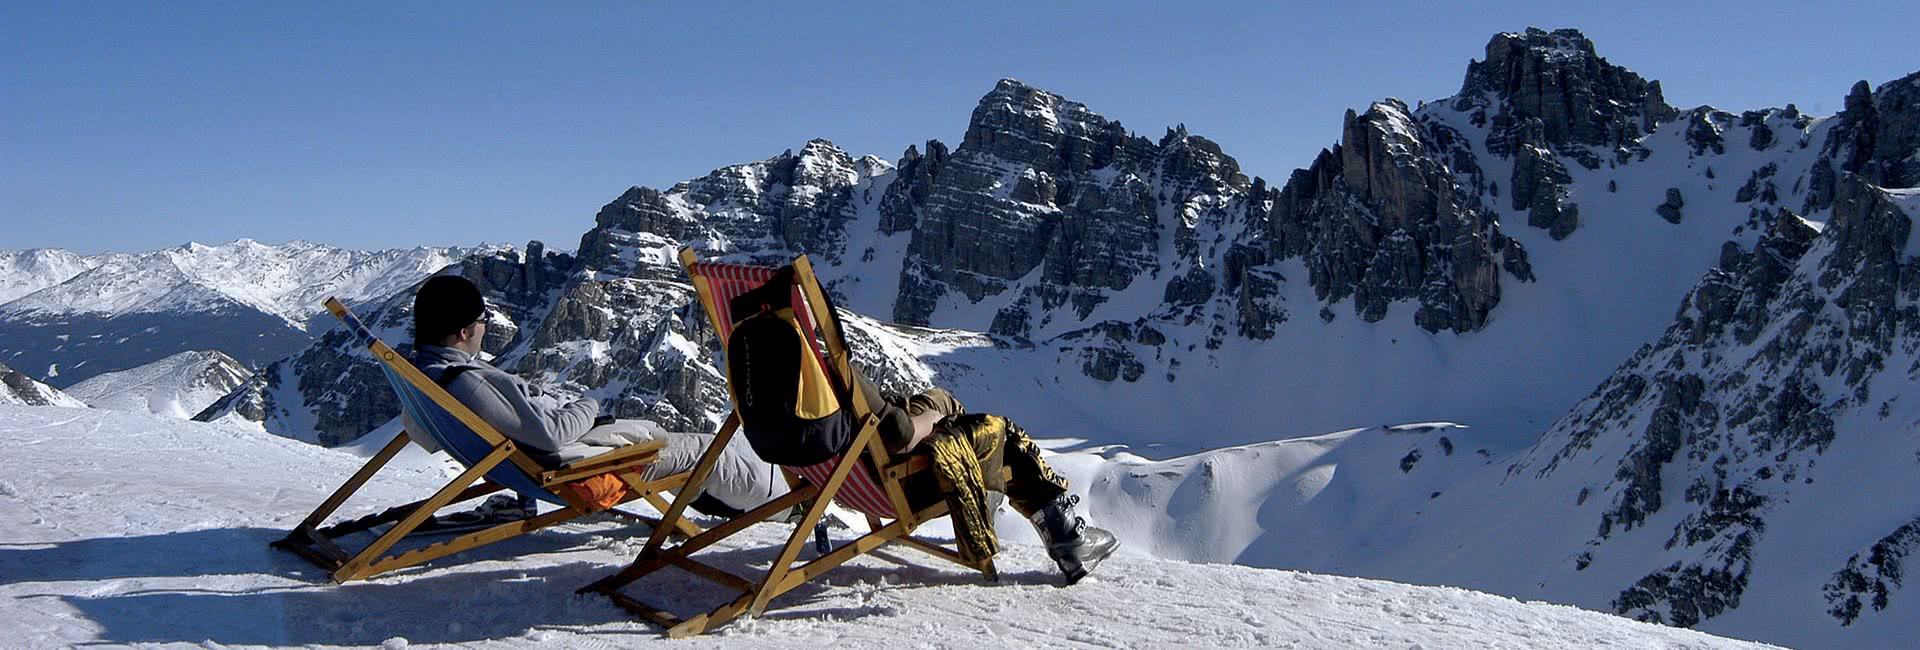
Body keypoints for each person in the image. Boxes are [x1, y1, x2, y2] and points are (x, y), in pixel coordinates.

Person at [408, 275, 784, 519]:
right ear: (461, 332)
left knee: (691, 446)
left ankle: (753, 503)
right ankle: (784, 507)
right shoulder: (467, 382)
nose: (486, 325)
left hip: (538, 462)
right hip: (576, 470)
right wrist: (589, 404)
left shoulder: (425, 374)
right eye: (482, 318)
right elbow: (549, 435)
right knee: (706, 450)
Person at [854, 374, 1120, 585]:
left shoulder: (816, 394)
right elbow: (899, 434)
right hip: (901, 479)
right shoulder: (835, 367)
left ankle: (989, 493)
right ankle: (1067, 538)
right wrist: (929, 420)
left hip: (859, 473)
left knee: (941, 399)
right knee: (1000, 434)